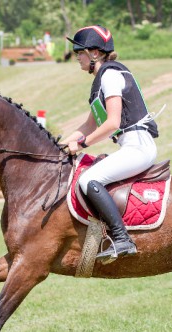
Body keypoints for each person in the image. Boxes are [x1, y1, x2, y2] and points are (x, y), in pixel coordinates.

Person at [62, 25, 159, 263]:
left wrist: (82, 145)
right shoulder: (101, 80)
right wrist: (60, 144)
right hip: (130, 146)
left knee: (88, 180)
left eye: (79, 51)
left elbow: (113, 123)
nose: (77, 57)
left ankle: (122, 238)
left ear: (95, 53)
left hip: (138, 146)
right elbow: (89, 125)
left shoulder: (111, 75)